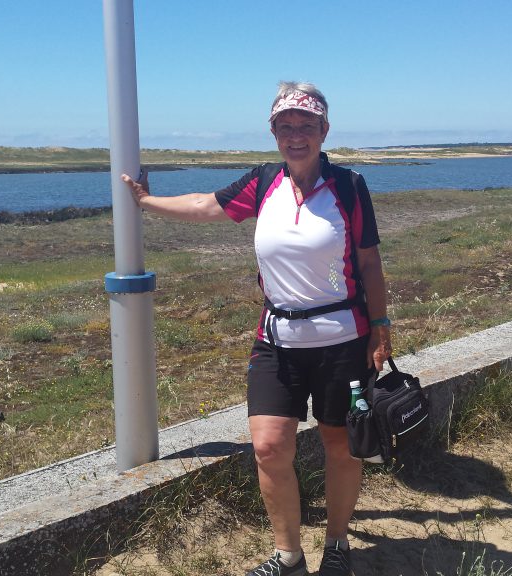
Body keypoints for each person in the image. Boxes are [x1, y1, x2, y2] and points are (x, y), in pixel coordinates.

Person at [122, 81, 391, 576]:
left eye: (306, 125)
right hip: (276, 342)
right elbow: (206, 205)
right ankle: (289, 557)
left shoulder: (349, 186)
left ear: (324, 130)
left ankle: (337, 547)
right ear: (273, 133)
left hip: (343, 342)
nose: (296, 135)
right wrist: (146, 202)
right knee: (268, 447)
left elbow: (370, 262)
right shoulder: (264, 182)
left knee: (340, 447)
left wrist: (380, 326)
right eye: (285, 126)